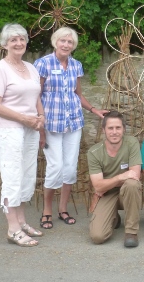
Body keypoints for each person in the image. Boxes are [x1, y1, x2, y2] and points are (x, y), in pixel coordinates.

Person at [34, 27, 107, 229]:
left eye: (70, 42)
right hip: (51, 124)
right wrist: (40, 127)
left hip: (73, 123)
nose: (66, 45)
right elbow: (35, 96)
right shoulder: (43, 64)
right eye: (63, 41)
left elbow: (77, 94)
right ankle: (47, 209)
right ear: (55, 42)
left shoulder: (76, 65)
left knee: (69, 168)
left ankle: (62, 209)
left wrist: (93, 109)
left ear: (73, 45)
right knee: (55, 167)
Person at [0, 23, 44, 247]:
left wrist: (41, 116)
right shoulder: (0, 69)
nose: (18, 43)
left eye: (21, 39)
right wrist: (23, 119)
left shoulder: (30, 67)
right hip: (9, 130)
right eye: (13, 40)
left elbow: (36, 95)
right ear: (4, 44)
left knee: (26, 174)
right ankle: (12, 229)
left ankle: (21, 221)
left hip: (30, 128)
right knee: (12, 176)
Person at [87, 111, 142, 247]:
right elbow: (98, 187)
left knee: (132, 185)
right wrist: (121, 176)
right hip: (107, 194)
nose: (114, 132)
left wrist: (109, 182)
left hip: (127, 192)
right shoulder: (94, 152)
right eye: (110, 128)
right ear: (104, 130)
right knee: (97, 237)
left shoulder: (132, 143)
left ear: (124, 129)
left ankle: (131, 232)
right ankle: (114, 217)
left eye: (118, 128)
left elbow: (134, 175)